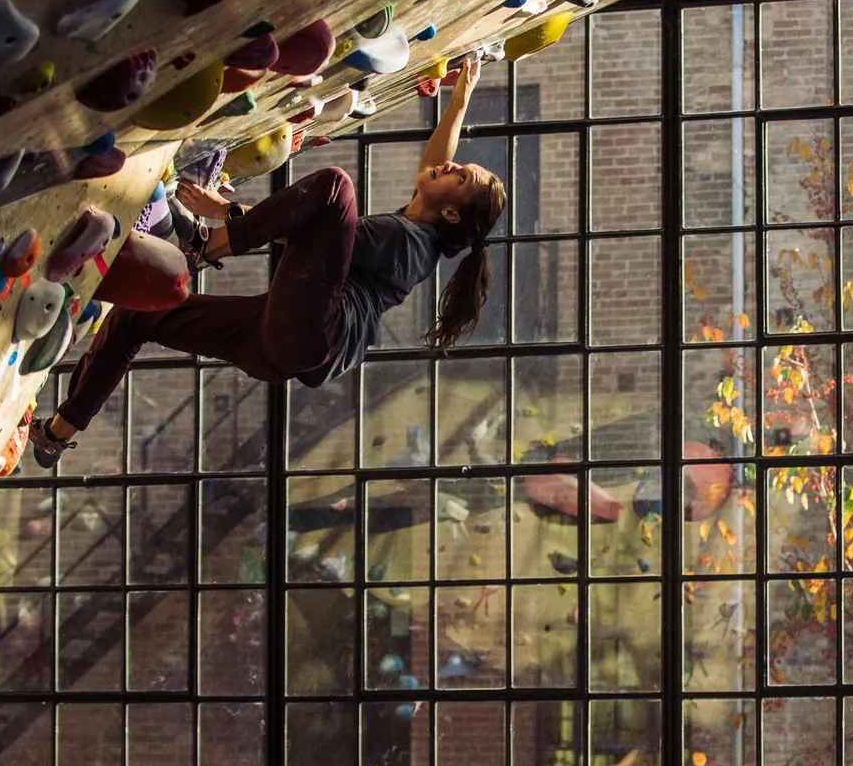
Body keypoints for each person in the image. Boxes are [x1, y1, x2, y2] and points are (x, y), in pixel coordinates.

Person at [28, 54, 503, 468]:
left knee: (336, 188)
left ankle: (205, 244)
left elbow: (308, 231)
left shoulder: (404, 241)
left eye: (460, 177)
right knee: (135, 320)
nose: (450, 166)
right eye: (460, 165)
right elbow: (434, 164)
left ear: (451, 212)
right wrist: (459, 100)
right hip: (280, 344)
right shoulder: (426, 230)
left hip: (319, 331)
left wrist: (225, 214)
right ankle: (58, 434)